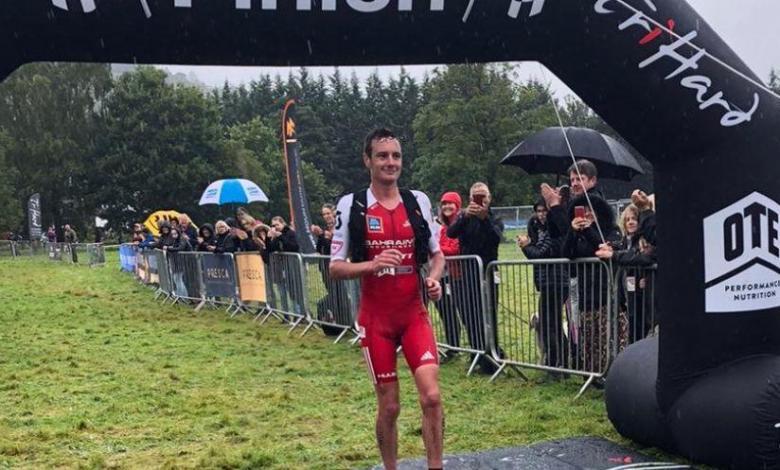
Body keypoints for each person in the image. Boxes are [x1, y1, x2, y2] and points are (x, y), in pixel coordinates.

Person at [329, 128, 445, 470]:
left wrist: (434, 280)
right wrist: (373, 264)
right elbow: (335, 268)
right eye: (382, 156)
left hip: (413, 314)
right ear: (368, 160)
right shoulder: (352, 205)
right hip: (375, 320)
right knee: (390, 406)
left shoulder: (418, 201)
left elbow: (437, 256)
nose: (390, 162)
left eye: (395, 156)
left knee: (432, 396)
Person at [562, 192, 622, 375]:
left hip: (606, 293)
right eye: (583, 211)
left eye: (590, 211)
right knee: (588, 336)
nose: (586, 215)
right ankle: (591, 372)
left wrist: (588, 230)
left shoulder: (610, 230)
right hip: (584, 293)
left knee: (606, 336)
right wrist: (573, 232)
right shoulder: (576, 232)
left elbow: (601, 248)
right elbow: (566, 253)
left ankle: (608, 371)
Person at [446, 181, 504, 374]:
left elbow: (496, 238)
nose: (480, 200)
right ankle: (476, 353)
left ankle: (492, 355)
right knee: (471, 316)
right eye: (476, 197)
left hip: (488, 272)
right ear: (470, 199)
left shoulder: (495, 218)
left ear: (490, 198)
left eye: (484, 196)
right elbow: (451, 232)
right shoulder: (465, 216)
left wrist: (484, 218)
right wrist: (464, 216)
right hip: (468, 274)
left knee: (489, 315)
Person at [596, 191, 657, 343]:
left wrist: (615, 255)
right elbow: (622, 251)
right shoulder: (624, 241)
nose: (631, 222)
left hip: (645, 296)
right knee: (633, 332)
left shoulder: (645, 240)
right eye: (627, 219)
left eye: (635, 219)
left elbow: (644, 257)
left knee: (645, 332)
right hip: (627, 294)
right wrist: (611, 251)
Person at [517, 199, 569, 376]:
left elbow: (539, 255)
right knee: (551, 324)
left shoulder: (553, 232)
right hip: (548, 282)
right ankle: (562, 362)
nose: (541, 214)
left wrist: (526, 246)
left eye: (544, 211)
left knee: (549, 325)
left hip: (556, 281)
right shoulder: (538, 229)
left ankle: (555, 364)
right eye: (538, 211)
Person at [433, 191, 464, 359]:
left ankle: (474, 350)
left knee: (466, 314)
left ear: (457, 206)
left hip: (463, 274)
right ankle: (453, 346)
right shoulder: (444, 227)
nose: (446, 206)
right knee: (447, 311)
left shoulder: (460, 224)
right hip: (449, 274)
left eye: (450, 203)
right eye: (444, 203)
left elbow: (455, 249)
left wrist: (436, 251)